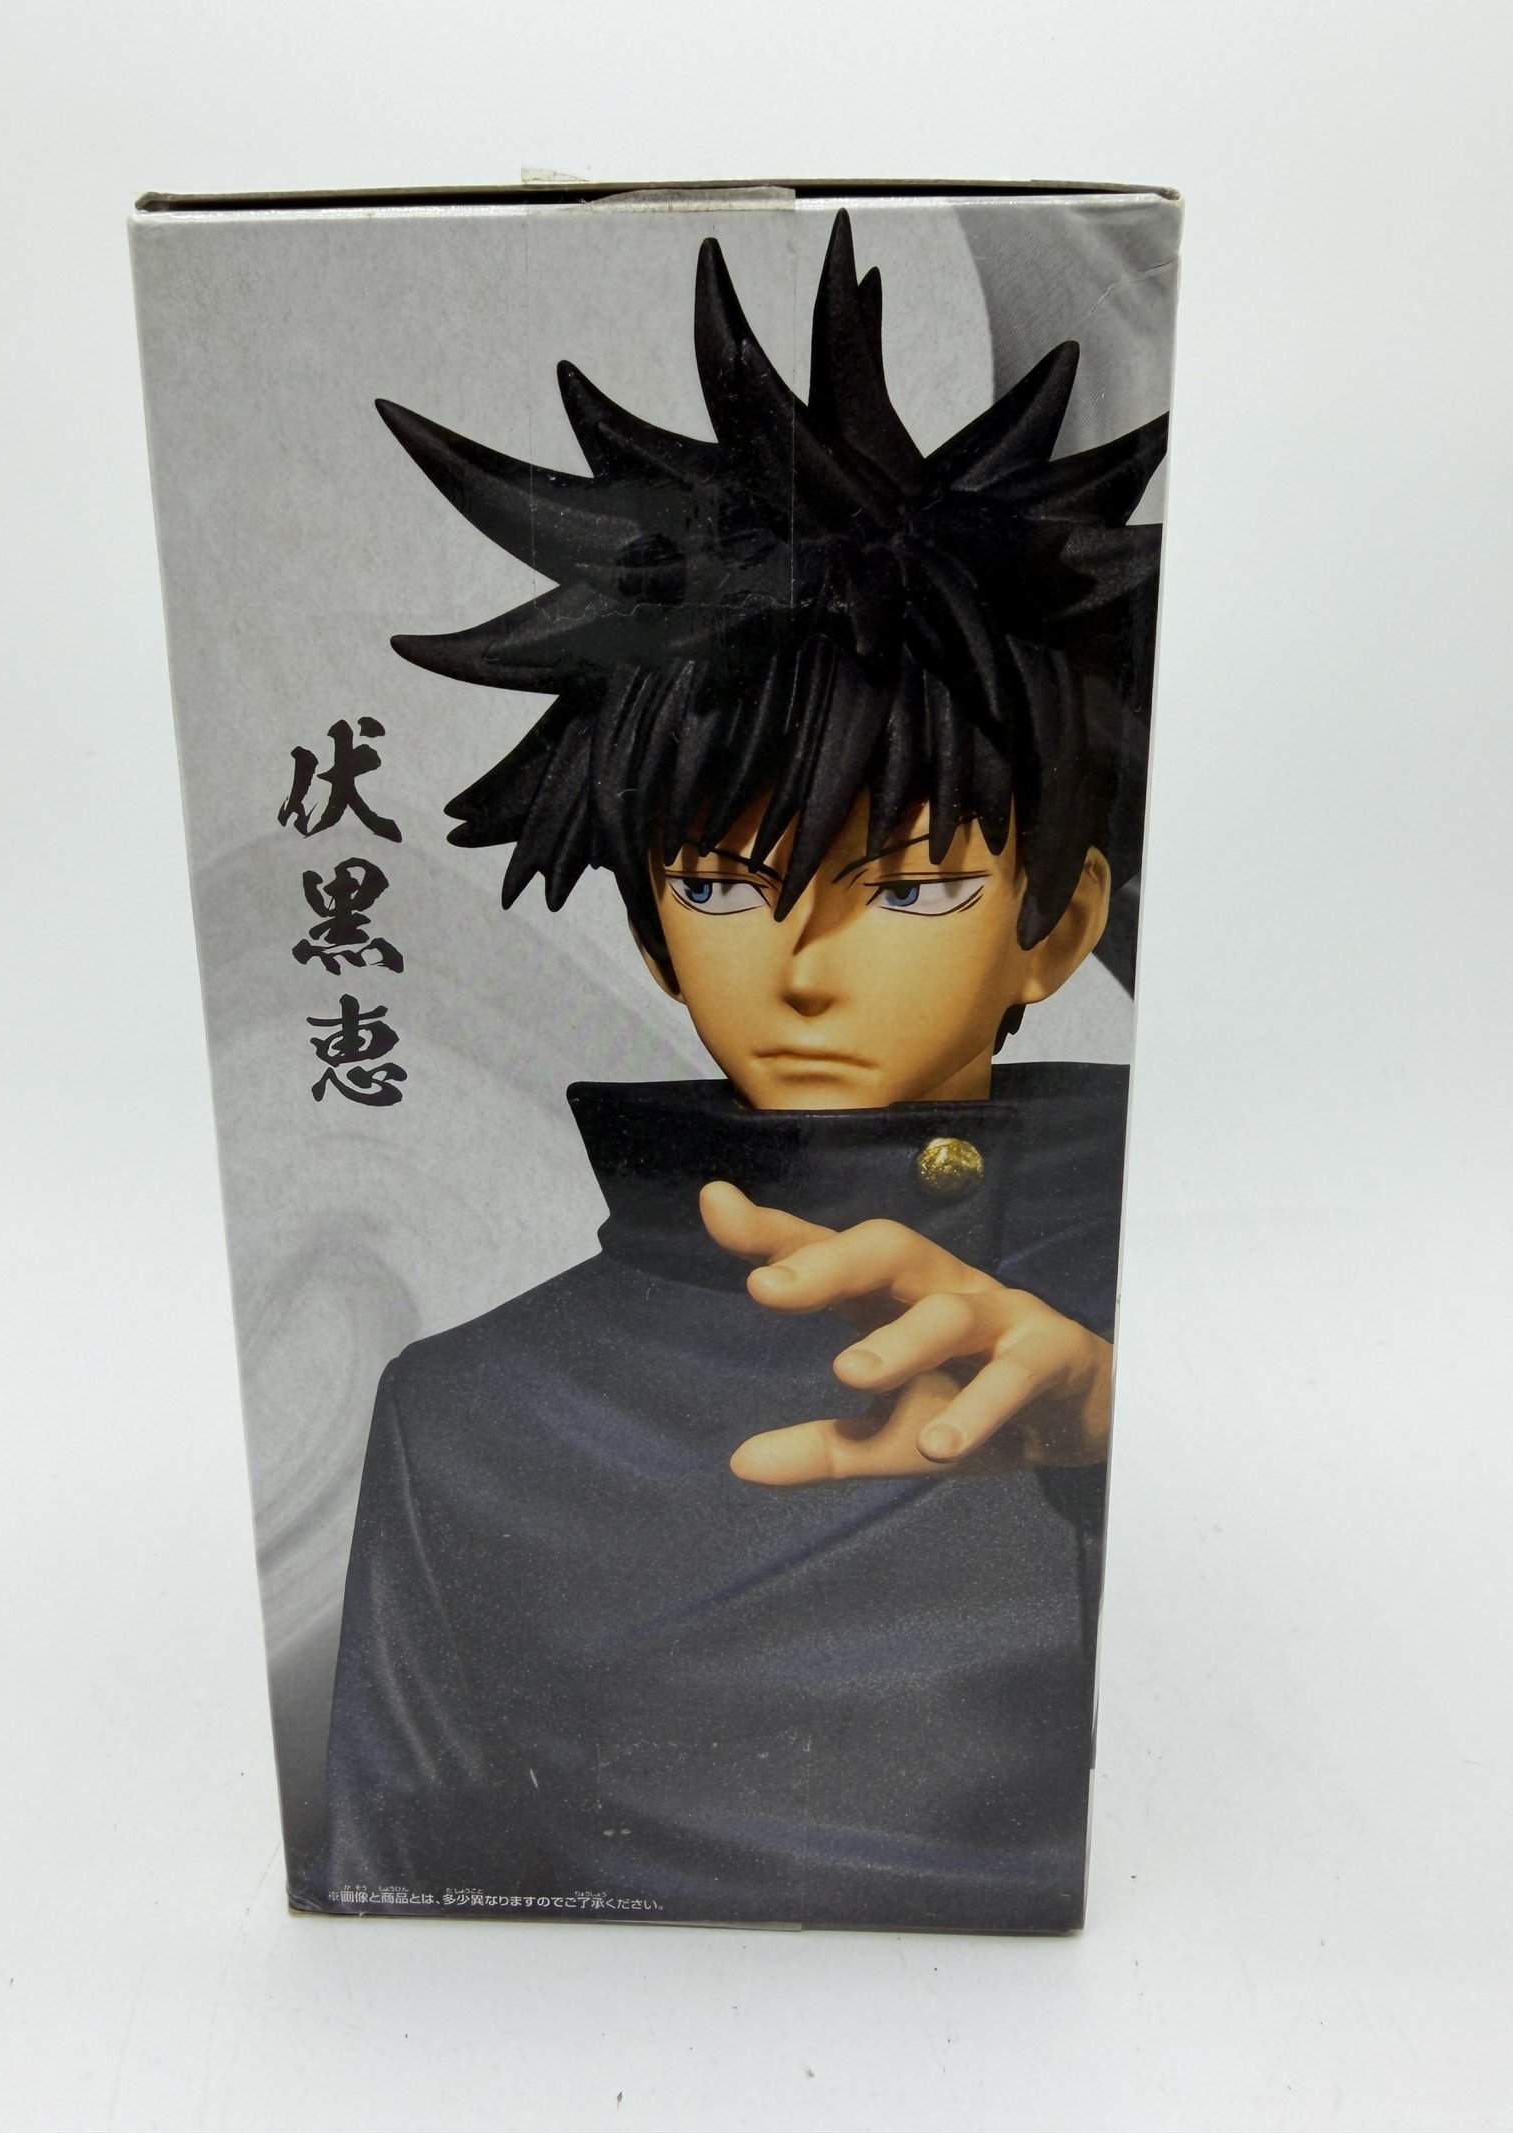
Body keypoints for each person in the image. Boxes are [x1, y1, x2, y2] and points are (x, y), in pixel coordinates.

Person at [315, 211, 1167, 1931]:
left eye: (911, 886)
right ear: (650, 936)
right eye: (718, 886)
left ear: (1062, 922)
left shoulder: (1181, 1303)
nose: (801, 966)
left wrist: (1120, 1452)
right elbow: (396, 1899)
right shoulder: (463, 1416)